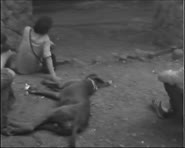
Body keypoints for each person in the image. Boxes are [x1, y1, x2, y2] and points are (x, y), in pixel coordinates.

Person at [8, 16, 61, 83]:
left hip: (18, 67)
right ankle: (45, 68)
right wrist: (54, 76)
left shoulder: (27, 30)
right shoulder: (45, 39)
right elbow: (48, 58)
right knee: (50, 54)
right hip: (31, 70)